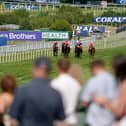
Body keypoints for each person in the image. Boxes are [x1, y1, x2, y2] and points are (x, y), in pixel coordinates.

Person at [9, 57, 66, 126]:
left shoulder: (22, 91)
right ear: (49, 71)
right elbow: (61, 120)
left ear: (34, 69)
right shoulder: (56, 93)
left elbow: (13, 119)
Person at [81, 60, 118, 126]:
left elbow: (84, 102)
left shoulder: (92, 81)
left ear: (94, 68)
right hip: (110, 118)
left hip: (95, 119)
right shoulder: (113, 79)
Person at [94, 56, 126, 126]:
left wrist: (105, 101)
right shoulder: (121, 83)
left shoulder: (124, 85)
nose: (112, 70)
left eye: (113, 68)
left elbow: (119, 112)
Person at [51, 58, 81, 126]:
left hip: (59, 121)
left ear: (57, 68)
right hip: (73, 120)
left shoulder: (54, 83)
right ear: (69, 68)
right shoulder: (76, 83)